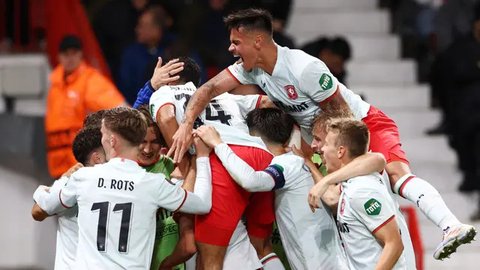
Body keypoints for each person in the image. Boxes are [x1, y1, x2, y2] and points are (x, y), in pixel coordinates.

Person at [168, 8, 476, 260]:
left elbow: (342, 114)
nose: (231, 48)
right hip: (324, 139)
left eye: (236, 42)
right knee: (337, 202)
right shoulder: (252, 70)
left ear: (258, 41)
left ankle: (449, 225)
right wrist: (186, 124)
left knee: (394, 176)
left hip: (361, 124)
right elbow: (208, 88)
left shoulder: (304, 69)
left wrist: (324, 154)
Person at [38, 107, 213, 269]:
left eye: (102, 134)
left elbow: (44, 205)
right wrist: (203, 158)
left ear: (112, 141)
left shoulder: (83, 178)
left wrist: (43, 188)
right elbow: (203, 204)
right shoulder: (153, 183)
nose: (101, 138)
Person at [148, 57, 279, 269]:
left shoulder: (164, 92)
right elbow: (266, 102)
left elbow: (165, 116)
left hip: (219, 160)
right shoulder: (225, 96)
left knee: (209, 259)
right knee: (262, 247)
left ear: (170, 79)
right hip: (258, 156)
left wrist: (182, 162)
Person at [194, 108, 352, 269]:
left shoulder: (289, 164)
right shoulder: (296, 162)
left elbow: (251, 181)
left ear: (253, 137)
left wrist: (218, 144)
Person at [322, 118, 409, 269]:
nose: (322, 149)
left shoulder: (361, 191)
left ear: (341, 151)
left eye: (326, 144)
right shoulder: (350, 183)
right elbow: (331, 198)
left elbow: (394, 243)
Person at [45, 34, 126, 179]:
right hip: (56, 163)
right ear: (59, 56)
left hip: (80, 162)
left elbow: (122, 109)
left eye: (74, 53)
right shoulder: (55, 83)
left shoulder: (90, 80)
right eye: (66, 54)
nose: (70, 58)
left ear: (80, 54)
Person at [32, 124, 106, 270]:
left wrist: (43, 190)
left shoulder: (71, 181)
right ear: (96, 157)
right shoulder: (75, 182)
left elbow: (37, 211)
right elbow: (37, 212)